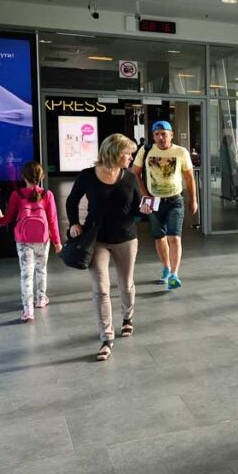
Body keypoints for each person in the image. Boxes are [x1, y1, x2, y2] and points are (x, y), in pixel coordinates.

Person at [67, 134, 150, 361]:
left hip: (126, 238)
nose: (131, 157)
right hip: (97, 240)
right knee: (101, 289)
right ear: (114, 153)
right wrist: (74, 222)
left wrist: (143, 213)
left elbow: (135, 209)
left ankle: (127, 317)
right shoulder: (87, 176)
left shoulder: (130, 178)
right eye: (128, 153)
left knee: (126, 284)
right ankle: (106, 338)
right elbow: (71, 201)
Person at [132, 121, 197, 290]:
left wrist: (193, 199)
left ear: (171, 135)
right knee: (160, 238)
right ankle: (166, 268)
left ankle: (174, 274)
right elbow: (135, 173)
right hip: (154, 200)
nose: (160, 137)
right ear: (153, 136)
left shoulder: (180, 152)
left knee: (174, 237)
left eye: (164, 134)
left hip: (175, 200)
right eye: (157, 134)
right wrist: (144, 194)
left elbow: (189, 177)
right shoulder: (145, 151)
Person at [0, 161, 62, 321]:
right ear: (41, 177)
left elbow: (8, 218)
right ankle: (41, 299)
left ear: (23, 176)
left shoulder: (17, 195)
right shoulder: (47, 194)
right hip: (43, 239)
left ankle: (28, 311)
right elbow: (53, 221)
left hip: (23, 240)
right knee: (41, 269)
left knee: (26, 274)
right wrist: (57, 242)